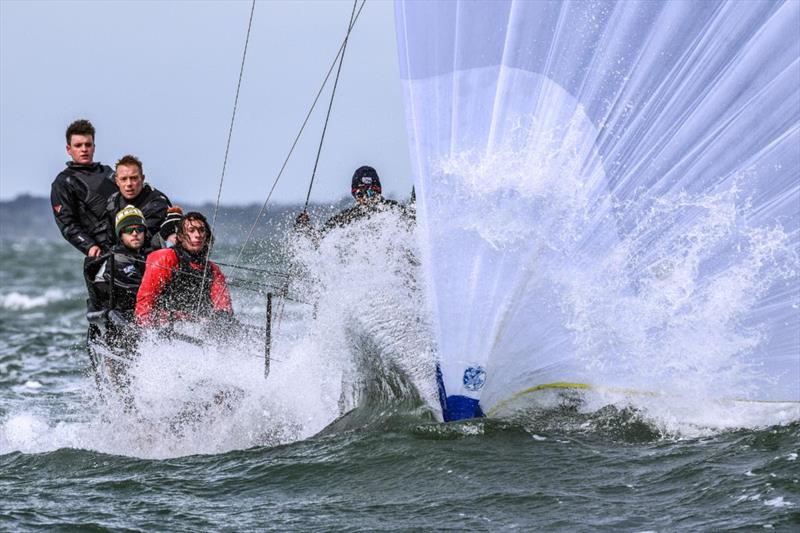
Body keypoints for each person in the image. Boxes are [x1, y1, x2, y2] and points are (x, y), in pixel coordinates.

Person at [84, 206, 149, 399]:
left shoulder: (141, 257)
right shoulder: (117, 260)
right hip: (119, 337)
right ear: (121, 234)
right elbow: (142, 291)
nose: (135, 233)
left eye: (139, 229)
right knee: (127, 397)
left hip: (133, 330)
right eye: (129, 230)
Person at [135, 211, 233, 327]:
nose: (198, 235)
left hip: (198, 326)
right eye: (191, 231)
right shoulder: (164, 259)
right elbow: (145, 300)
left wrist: (223, 316)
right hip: (163, 325)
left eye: (201, 230)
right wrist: (146, 329)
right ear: (180, 237)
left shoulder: (213, 270)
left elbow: (224, 305)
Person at [51, 119, 117, 257]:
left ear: (94, 147)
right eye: (78, 145)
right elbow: (67, 224)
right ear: (69, 149)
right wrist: (89, 246)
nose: (84, 149)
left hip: (130, 237)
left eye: (88, 144)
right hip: (102, 250)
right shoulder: (63, 183)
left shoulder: (107, 172)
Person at [295, 165, 412, 237]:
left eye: (371, 192)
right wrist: (303, 227)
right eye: (361, 193)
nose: (366, 198)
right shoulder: (347, 217)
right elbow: (319, 239)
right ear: (355, 194)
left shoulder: (394, 210)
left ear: (378, 191)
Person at [105, 154, 171, 247]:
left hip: (153, 254)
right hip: (122, 253)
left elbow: (143, 239)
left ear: (142, 179)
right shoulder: (113, 203)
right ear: (117, 181)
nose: (129, 184)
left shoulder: (157, 202)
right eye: (123, 179)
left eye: (134, 178)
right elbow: (110, 241)